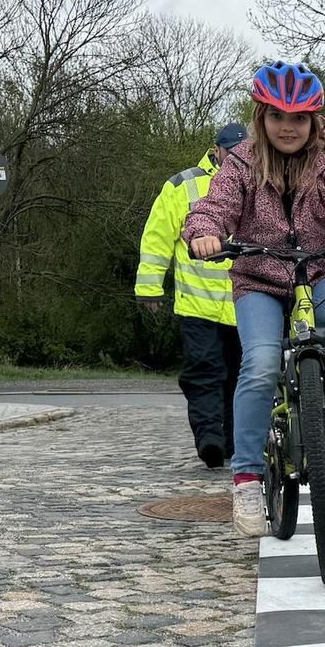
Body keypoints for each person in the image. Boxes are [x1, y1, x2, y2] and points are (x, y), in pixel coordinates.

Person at [184, 62, 325, 536]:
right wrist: (204, 233)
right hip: (258, 279)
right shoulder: (238, 163)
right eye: (278, 115)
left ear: (314, 123)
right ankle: (246, 480)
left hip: (315, 271)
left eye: (299, 118)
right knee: (259, 364)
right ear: (261, 116)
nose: (288, 126)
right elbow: (213, 207)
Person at [136, 123, 247, 467]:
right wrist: (149, 288)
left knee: (241, 375)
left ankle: (231, 441)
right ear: (216, 150)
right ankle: (210, 438)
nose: (236, 160)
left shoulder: (260, 183)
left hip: (245, 303)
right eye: (231, 152)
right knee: (205, 372)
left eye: (243, 153)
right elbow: (157, 238)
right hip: (198, 306)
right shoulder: (183, 185)